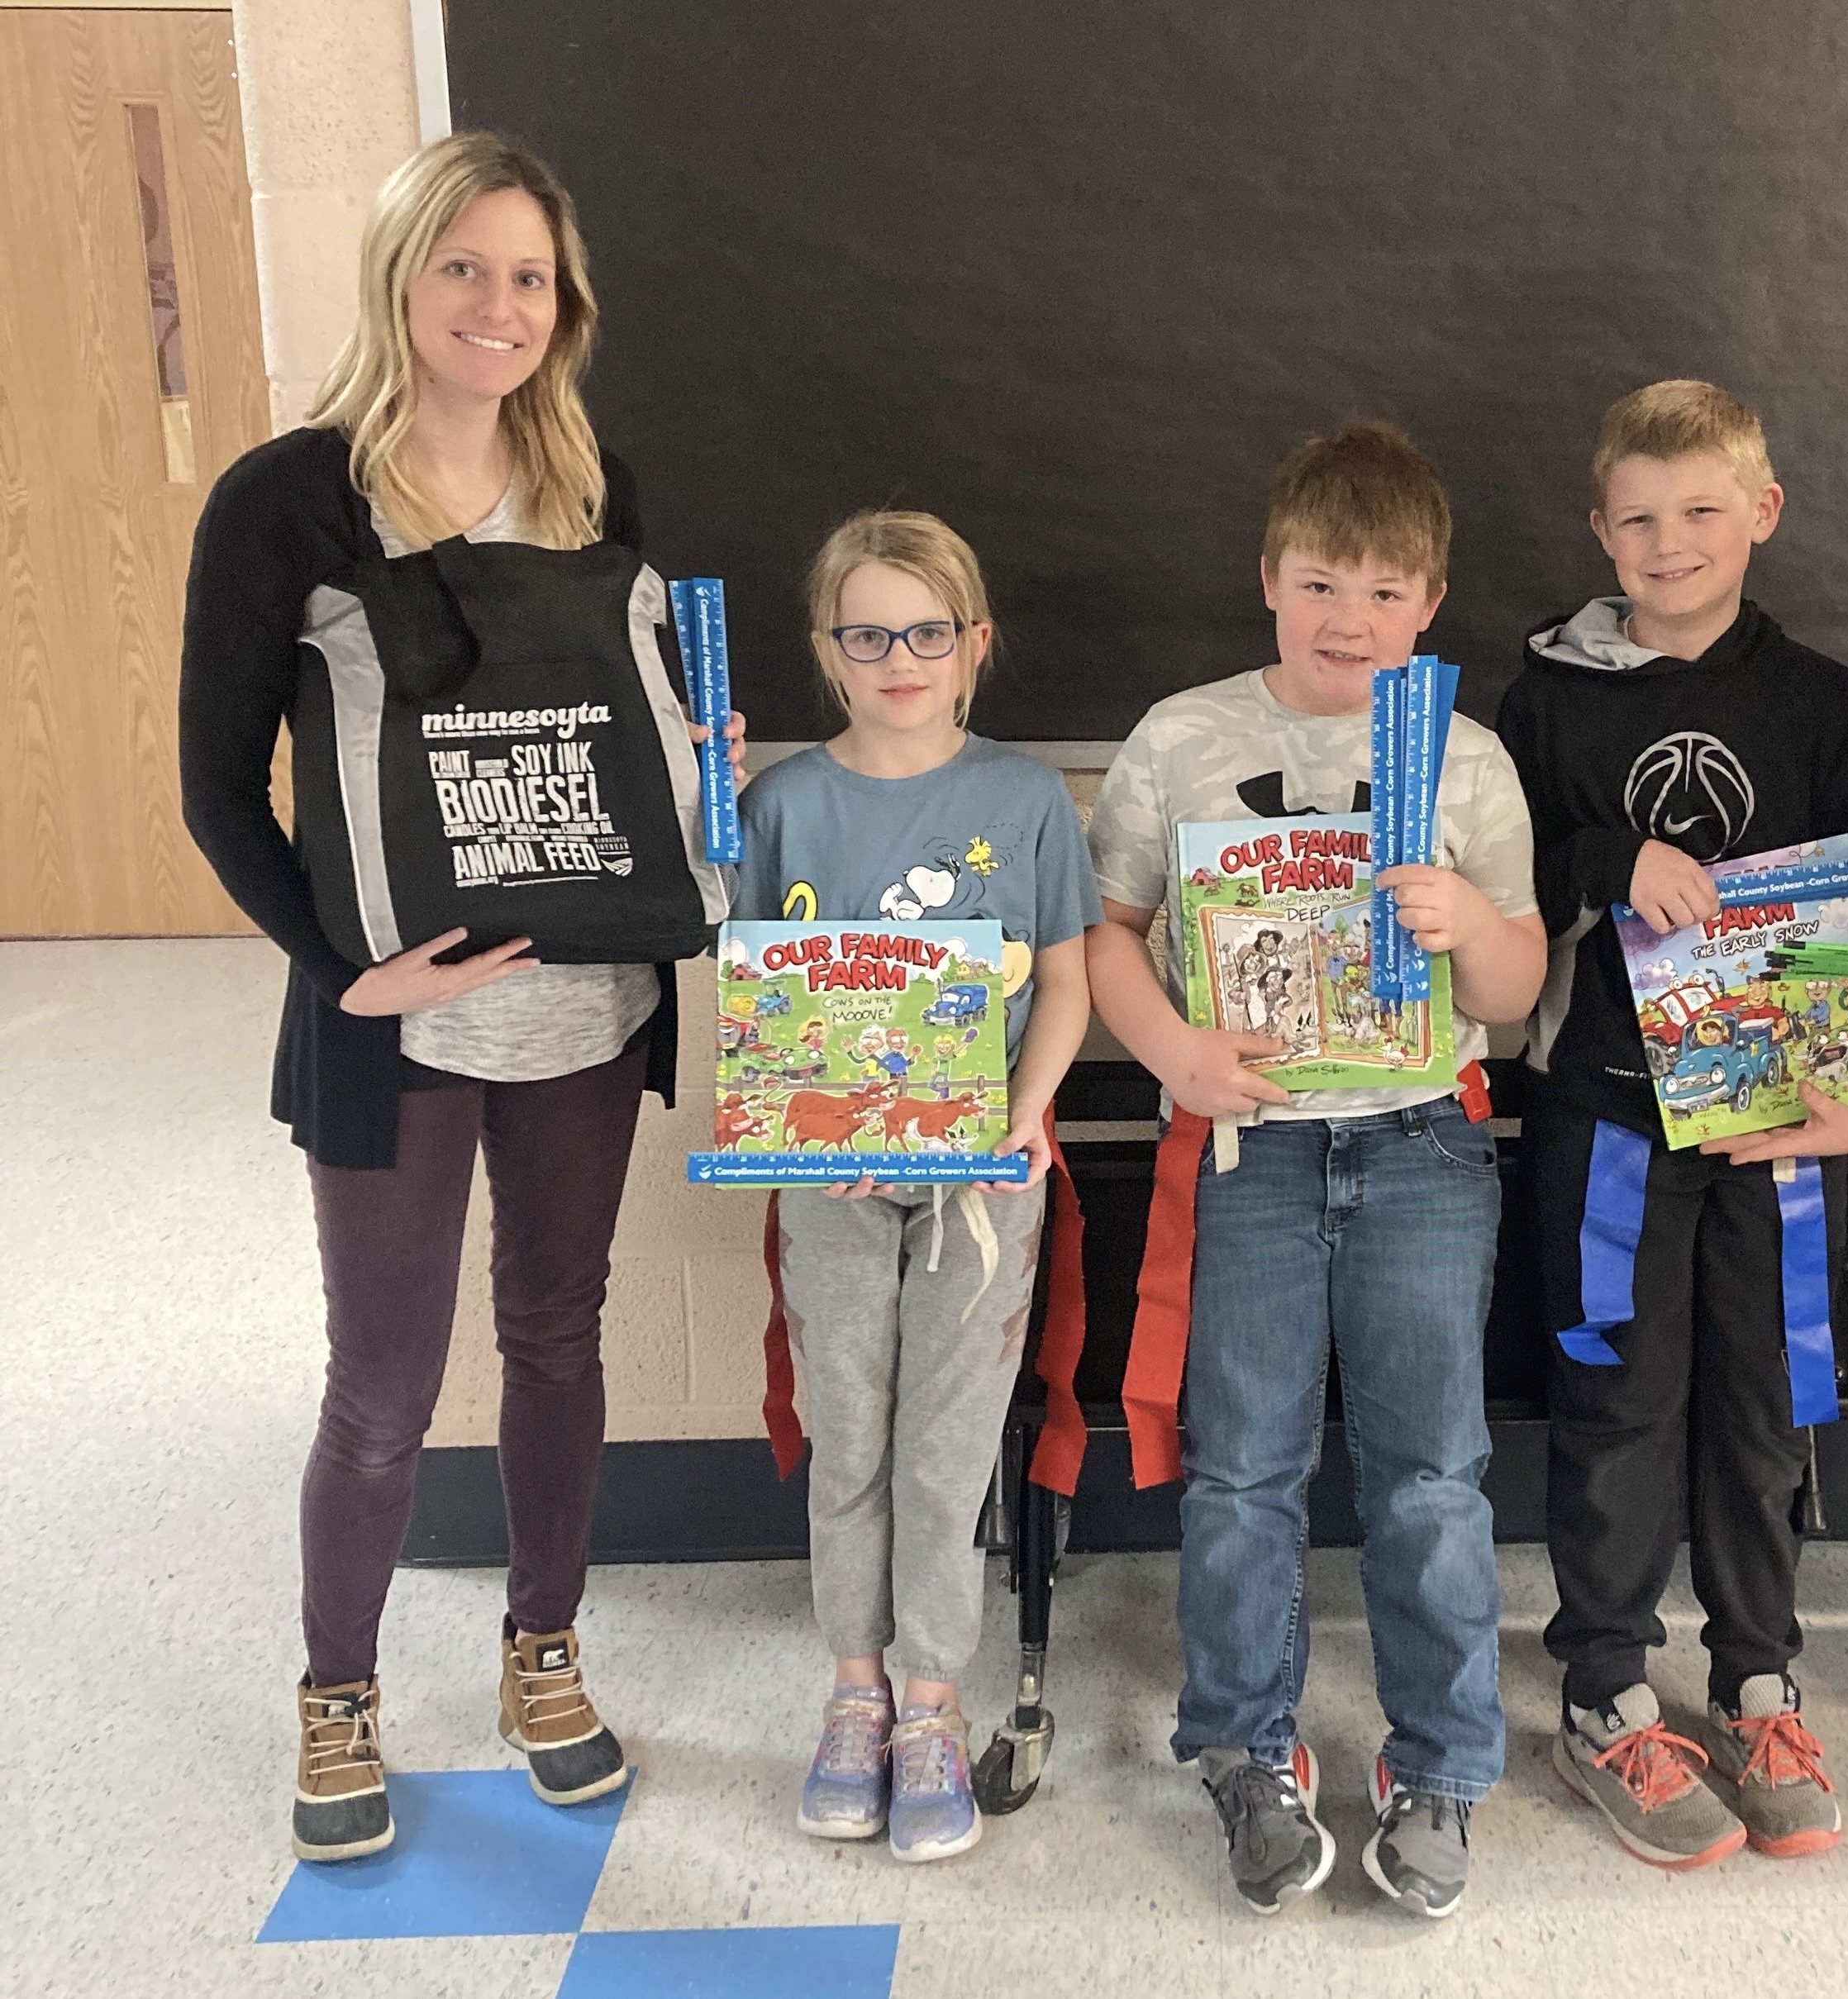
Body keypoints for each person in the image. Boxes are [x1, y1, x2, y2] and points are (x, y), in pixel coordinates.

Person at [179, 133, 744, 1861]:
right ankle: (337, 1691)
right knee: (382, 1389)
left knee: (557, 1337)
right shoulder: (289, 500)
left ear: (565, 305)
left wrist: (696, 767)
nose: (499, 306)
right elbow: (218, 787)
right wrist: (346, 977)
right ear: (401, 279)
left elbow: (628, 733)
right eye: (464, 267)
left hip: (587, 1012)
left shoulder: (594, 488)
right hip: (396, 1029)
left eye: (530, 277)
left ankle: (542, 1650)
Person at [1084, 422, 1545, 1918]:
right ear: (1268, 580)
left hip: (1423, 1146)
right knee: (1241, 1471)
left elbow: (1518, 986)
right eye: (1321, 584)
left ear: (1432, 603)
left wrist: (1467, 922)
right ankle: (1244, 1747)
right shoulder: (1181, 737)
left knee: (1432, 1476)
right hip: (1250, 1149)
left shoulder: (1465, 757)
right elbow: (1106, 933)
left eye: (1386, 591)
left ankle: (1443, 1766)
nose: (1351, 619)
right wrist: (1174, 1052)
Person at [1496, 381, 1848, 1871]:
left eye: (1699, 511)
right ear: (1599, 530)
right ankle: (1606, 1689)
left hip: (1781, 1125)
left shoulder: (1826, 707)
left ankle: (1757, 1680)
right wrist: (1607, 859)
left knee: (1762, 1397)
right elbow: (1498, 875)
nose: (1668, 542)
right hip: (1607, 1120)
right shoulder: (1546, 699)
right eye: (1638, 518)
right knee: (1614, 1398)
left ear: (1763, 513)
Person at [735, 511, 1099, 1862]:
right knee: (849, 1434)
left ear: (975, 643)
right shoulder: (778, 807)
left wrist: (1018, 1117)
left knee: (947, 1450)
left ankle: (933, 1701)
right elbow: (756, 993)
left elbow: (1064, 983)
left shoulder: (1025, 798)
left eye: (927, 633)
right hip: (829, 1178)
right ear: (826, 650)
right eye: (869, 635)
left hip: (984, 1181)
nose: (900, 660)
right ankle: (855, 1693)